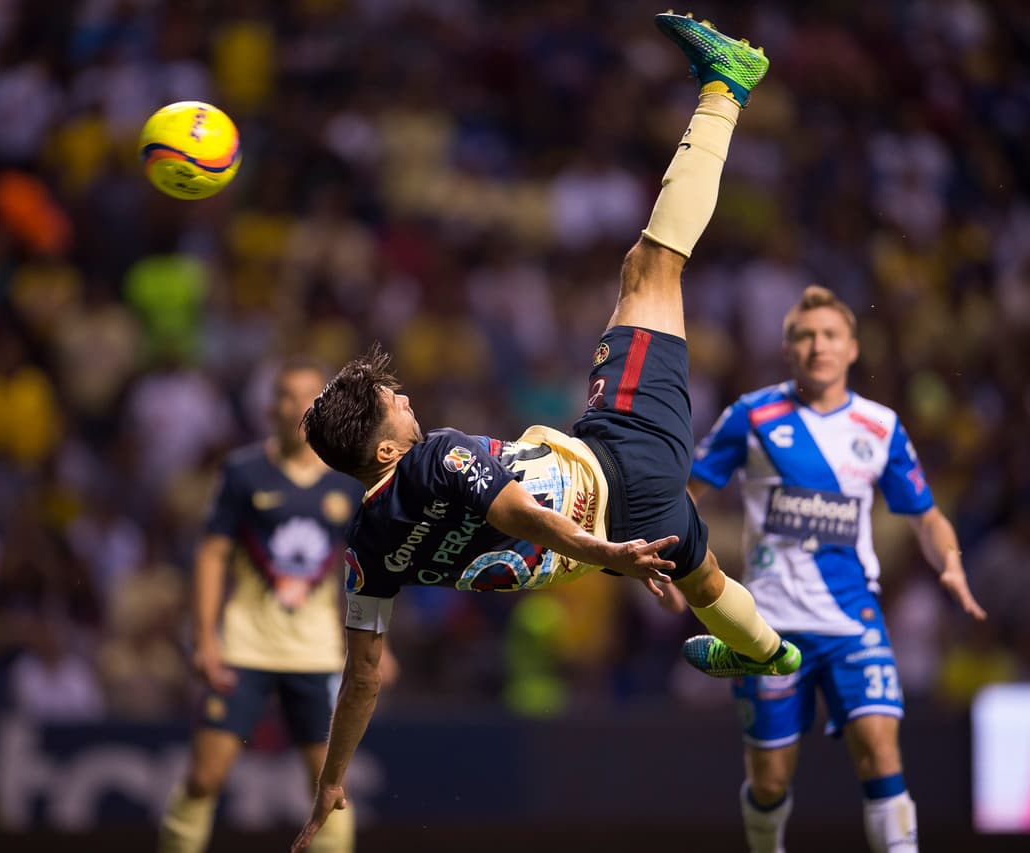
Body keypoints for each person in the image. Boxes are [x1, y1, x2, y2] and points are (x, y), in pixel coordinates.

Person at [293, 14, 799, 851]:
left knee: (703, 574)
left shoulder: (366, 551)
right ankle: (728, 87)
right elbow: (517, 512)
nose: (408, 398)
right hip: (619, 461)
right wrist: (604, 554)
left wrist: (333, 776)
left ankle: (770, 652)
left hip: (627, 527)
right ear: (384, 447)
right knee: (649, 267)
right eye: (394, 402)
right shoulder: (436, 456)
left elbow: (364, 674)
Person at [685, 284, 987, 852]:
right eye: (804, 335)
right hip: (767, 626)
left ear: (852, 348)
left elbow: (925, 516)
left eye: (829, 335)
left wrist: (949, 561)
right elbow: (689, 496)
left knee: (881, 755)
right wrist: (676, 568)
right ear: (787, 349)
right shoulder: (751, 415)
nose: (817, 345)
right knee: (770, 781)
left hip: (854, 620)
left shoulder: (880, 427)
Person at [160, 358, 385, 853]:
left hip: (318, 652)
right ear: (271, 409)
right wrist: (204, 638)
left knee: (329, 788)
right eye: (287, 396)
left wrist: (379, 644)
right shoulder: (243, 473)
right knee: (203, 777)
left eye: (309, 397)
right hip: (245, 648)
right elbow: (213, 553)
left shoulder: (346, 481)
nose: (298, 406)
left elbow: (372, 566)